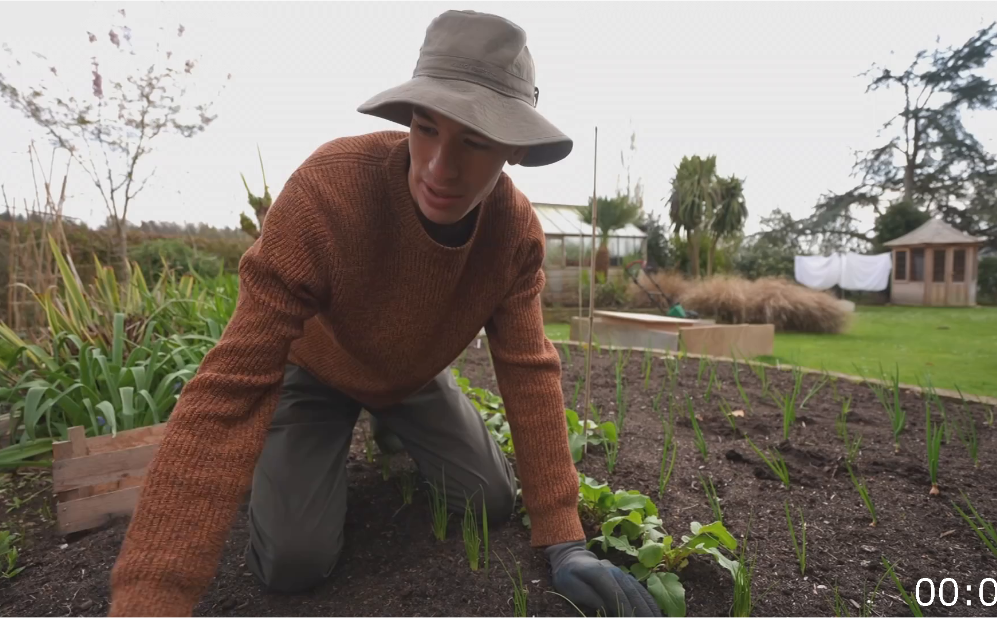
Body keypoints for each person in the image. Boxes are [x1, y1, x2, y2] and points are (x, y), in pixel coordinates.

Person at [107, 9, 660, 618]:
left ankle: (391, 425)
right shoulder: (328, 194)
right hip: (314, 373)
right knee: (293, 563)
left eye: (474, 142)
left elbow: (529, 371)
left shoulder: (515, 235)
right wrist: (150, 597)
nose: (439, 168)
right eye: (427, 129)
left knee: (491, 501)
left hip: (411, 380)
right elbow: (230, 388)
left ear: (514, 147)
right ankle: (287, 462)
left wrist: (565, 538)